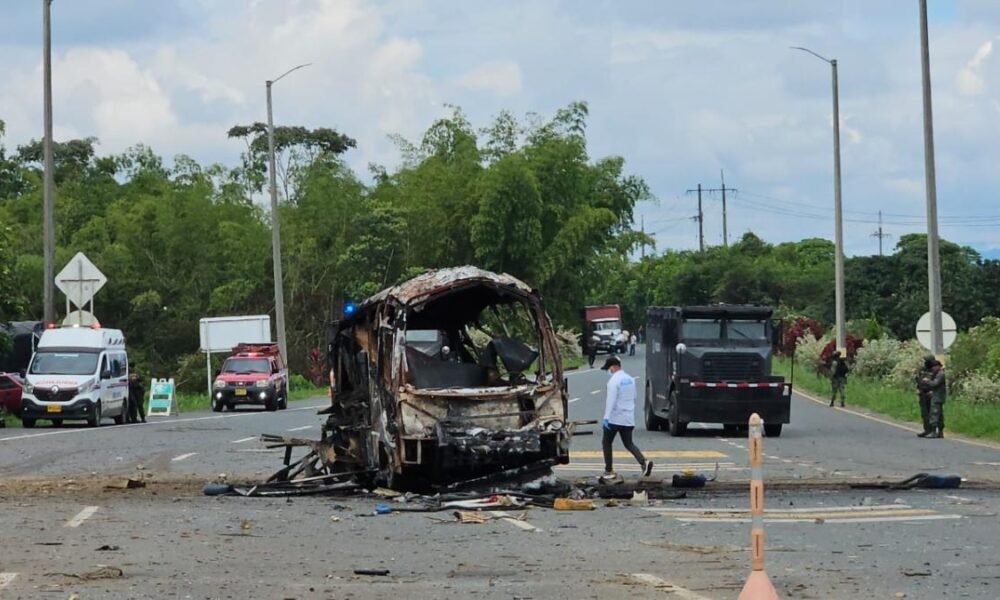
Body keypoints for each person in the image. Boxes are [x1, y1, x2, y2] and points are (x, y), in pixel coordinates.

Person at [599, 356, 652, 483]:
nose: (609, 371)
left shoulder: (613, 381)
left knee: (606, 443)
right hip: (628, 418)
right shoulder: (630, 379)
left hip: (614, 418)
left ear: (613, 366)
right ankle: (644, 462)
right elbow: (634, 396)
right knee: (629, 443)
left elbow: (610, 401)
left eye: (609, 368)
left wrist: (606, 417)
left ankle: (609, 470)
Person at [918, 357, 946, 439]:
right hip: (935, 396)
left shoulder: (940, 374)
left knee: (935, 414)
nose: (933, 369)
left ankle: (934, 431)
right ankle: (938, 432)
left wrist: (927, 381)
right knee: (937, 414)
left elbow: (935, 384)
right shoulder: (936, 373)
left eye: (934, 367)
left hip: (937, 397)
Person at [914, 354, 936, 437]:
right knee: (924, 413)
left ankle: (933, 430)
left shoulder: (935, 371)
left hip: (931, 394)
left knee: (932, 412)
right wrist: (918, 389)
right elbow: (918, 379)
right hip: (922, 393)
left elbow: (938, 383)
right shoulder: (922, 370)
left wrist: (933, 391)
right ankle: (926, 430)